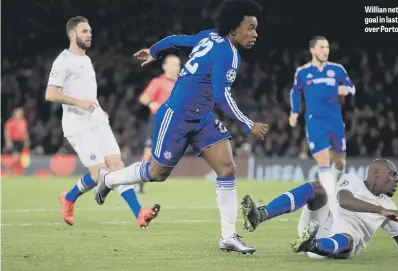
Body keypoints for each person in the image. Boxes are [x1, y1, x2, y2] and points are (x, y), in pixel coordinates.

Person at [94, 0, 268, 254]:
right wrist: (247, 123)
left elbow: (175, 39)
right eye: (250, 28)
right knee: (157, 173)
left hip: (202, 118)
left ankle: (228, 236)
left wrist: (154, 51)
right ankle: (108, 179)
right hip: (176, 116)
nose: (255, 34)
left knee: (226, 167)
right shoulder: (229, 54)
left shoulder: (208, 36)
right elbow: (221, 95)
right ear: (233, 27)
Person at [45, 16, 158, 228]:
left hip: (96, 120)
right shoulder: (63, 61)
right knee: (100, 175)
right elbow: (50, 94)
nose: (89, 34)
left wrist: (98, 108)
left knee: (117, 167)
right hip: (77, 125)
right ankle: (69, 198)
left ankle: (139, 212)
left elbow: (87, 92)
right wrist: (78, 102)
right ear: (72, 34)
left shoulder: (86, 60)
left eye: (90, 31)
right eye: (84, 31)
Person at [241, 159, 398, 259]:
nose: (397, 179)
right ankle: (261, 214)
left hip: (334, 247)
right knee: (319, 188)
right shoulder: (353, 182)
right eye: (393, 174)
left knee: (349, 237)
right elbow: (344, 201)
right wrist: (380, 210)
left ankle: (311, 245)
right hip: (317, 225)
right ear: (376, 173)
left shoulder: (389, 207)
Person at [289, 36, 356, 217]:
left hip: (335, 121)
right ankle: (331, 204)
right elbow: (295, 92)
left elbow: (352, 87)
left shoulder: (337, 70)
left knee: (340, 162)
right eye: (322, 47)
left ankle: (332, 188)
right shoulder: (303, 72)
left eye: (327, 47)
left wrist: (347, 90)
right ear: (312, 50)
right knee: (323, 161)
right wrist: (295, 112)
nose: (325, 50)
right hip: (315, 122)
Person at [138, 55, 180, 193]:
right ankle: (139, 181)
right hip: (158, 121)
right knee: (149, 152)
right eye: (173, 64)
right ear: (165, 66)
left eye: (178, 65)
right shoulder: (158, 82)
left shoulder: (181, 83)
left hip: (174, 123)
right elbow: (144, 98)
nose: (176, 68)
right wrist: (152, 103)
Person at [4, 107, 29, 174]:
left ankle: (16, 171)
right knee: (16, 156)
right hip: (14, 141)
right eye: (18, 113)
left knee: (20, 156)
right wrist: (9, 142)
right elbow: (7, 133)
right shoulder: (10, 122)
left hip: (21, 141)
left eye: (21, 113)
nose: (20, 114)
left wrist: (26, 142)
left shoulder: (24, 121)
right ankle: (9, 168)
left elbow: (25, 132)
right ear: (14, 114)